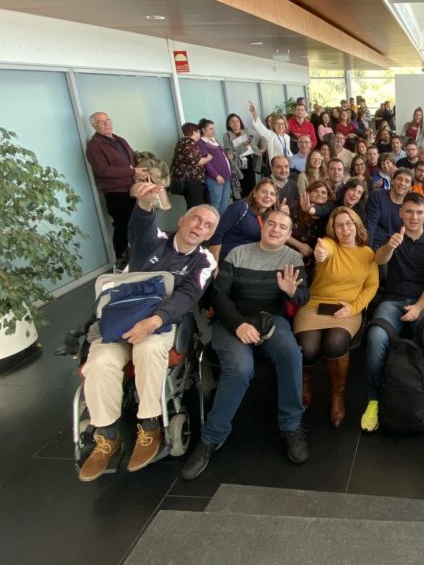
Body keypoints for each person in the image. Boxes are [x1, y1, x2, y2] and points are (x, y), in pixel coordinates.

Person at [78, 183, 218, 482]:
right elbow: (140, 229)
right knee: (100, 361)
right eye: (196, 219)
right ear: (181, 220)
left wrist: (154, 321)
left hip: (161, 322)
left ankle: (150, 424)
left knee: (149, 349)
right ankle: (106, 434)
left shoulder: (204, 260)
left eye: (207, 226)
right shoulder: (155, 241)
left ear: (209, 235)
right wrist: (144, 204)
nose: (200, 226)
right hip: (120, 317)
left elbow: (188, 296)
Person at [183, 209, 309, 479]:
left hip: (271, 320)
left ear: (289, 235)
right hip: (234, 320)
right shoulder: (238, 253)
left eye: (283, 227)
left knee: (291, 354)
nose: (276, 229)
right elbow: (219, 296)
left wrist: (292, 292)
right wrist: (238, 324)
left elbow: (302, 299)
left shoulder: (293, 258)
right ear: (263, 227)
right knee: (240, 369)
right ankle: (211, 438)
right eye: (271, 224)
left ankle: (291, 425)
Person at [361, 194, 424, 433]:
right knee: (376, 336)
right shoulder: (394, 238)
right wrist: (390, 246)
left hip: (423, 302)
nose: (414, 217)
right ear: (401, 213)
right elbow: (378, 260)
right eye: (409, 212)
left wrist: (419, 307)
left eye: (419, 213)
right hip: (393, 300)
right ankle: (373, 400)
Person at [294, 207, 379, 427]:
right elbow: (323, 252)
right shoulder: (328, 244)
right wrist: (320, 252)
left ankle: (337, 395)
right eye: (338, 224)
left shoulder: (367, 253)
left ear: (357, 225)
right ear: (333, 229)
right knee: (308, 348)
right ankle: (305, 384)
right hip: (314, 305)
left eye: (349, 223)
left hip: (347, 308)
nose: (344, 229)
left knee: (335, 344)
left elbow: (371, 286)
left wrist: (353, 308)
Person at [85, 111, 149, 268]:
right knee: (122, 226)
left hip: (132, 189)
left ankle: (140, 258)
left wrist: (140, 171)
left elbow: (131, 159)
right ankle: (121, 262)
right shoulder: (94, 146)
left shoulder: (119, 139)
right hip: (116, 193)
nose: (106, 123)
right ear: (94, 126)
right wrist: (132, 172)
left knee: (138, 224)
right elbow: (103, 171)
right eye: (101, 122)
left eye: (107, 119)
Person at [208, 178, 279, 263]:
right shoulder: (241, 207)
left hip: (247, 263)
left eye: (272, 194)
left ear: (275, 199)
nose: (268, 196)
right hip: (227, 261)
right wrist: (214, 262)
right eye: (264, 192)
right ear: (255, 193)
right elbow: (218, 233)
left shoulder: (269, 217)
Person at [366, 167, 412, 249]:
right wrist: (367, 249)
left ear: (410, 188)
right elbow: (370, 226)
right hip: (376, 246)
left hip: (397, 248)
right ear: (392, 181)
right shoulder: (377, 196)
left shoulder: (410, 207)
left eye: (407, 181)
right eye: (399, 179)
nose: (402, 183)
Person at [170, 122, 212, 210]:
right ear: (194, 132)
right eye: (199, 132)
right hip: (191, 180)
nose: (199, 134)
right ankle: (190, 223)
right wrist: (208, 158)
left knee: (194, 207)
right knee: (195, 207)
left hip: (188, 180)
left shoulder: (182, 142)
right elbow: (196, 161)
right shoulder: (188, 142)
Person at [222, 113, 260, 199]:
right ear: (229, 124)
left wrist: (237, 143)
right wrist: (242, 144)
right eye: (232, 121)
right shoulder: (226, 135)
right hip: (235, 163)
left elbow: (250, 146)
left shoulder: (247, 132)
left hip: (247, 160)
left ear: (240, 122)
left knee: (250, 185)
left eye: (237, 121)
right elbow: (229, 149)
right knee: (239, 186)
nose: (235, 123)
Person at [249, 101, 293, 166]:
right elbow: (260, 127)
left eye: (282, 124)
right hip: (276, 165)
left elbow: (288, 151)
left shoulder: (287, 137)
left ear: (285, 124)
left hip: (286, 164)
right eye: (277, 124)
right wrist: (254, 114)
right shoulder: (271, 135)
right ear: (274, 125)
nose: (280, 126)